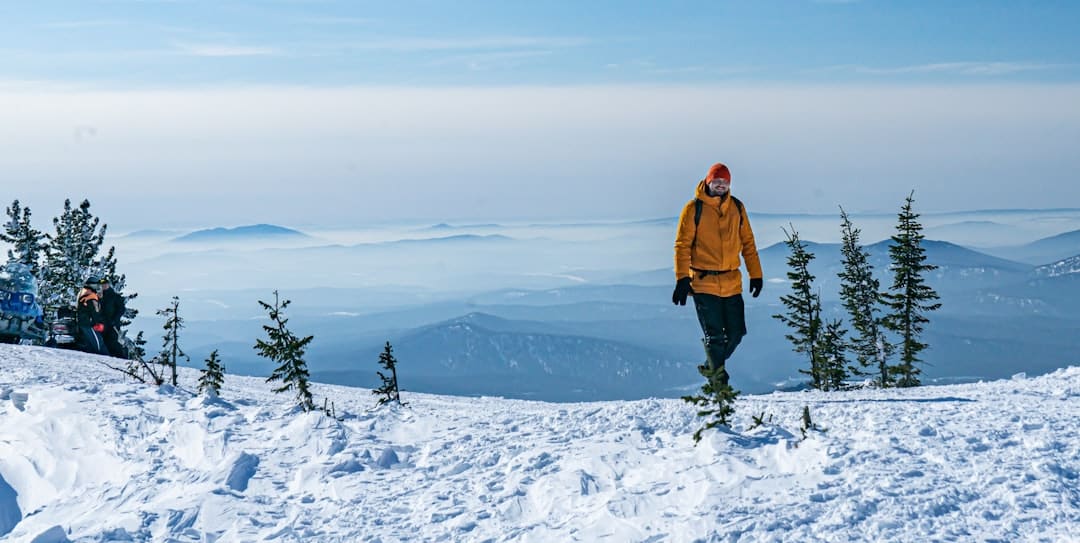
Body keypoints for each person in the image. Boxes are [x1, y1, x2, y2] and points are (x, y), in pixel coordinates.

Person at [672, 162, 763, 388]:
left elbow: (748, 244)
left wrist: (756, 274)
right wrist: (682, 278)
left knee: (736, 333)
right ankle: (720, 387)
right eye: (717, 181)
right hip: (703, 282)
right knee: (714, 338)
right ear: (708, 181)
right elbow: (682, 245)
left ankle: (711, 368)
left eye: (725, 182)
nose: (721, 185)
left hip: (732, 281)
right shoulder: (693, 209)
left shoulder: (737, 208)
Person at [76, 277, 109, 355]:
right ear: (92, 285)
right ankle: (106, 358)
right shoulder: (91, 295)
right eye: (97, 285)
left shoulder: (83, 291)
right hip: (88, 323)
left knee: (89, 344)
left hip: (83, 321)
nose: (98, 287)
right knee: (98, 343)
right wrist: (98, 322)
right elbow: (95, 311)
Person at [98, 276, 128, 359]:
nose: (103, 286)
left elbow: (121, 309)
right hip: (102, 323)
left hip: (113, 324)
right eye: (102, 285)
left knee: (114, 342)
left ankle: (120, 357)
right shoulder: (99, 296)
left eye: (105, 284)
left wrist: (115, 319)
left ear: (108, 285)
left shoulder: (115, 296)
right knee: (102, 341)